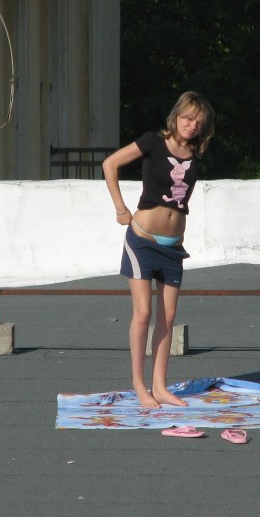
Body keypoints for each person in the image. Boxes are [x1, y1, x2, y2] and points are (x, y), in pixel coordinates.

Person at [102, 91, 215, 409]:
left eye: (198, 121)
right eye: (187, 117)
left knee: (168, 316)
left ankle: (160, 386)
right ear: (176, 115)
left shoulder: (195, 154)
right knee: (143, 313)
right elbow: (110, 164)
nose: (192, 125)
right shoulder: (153, 141)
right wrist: (120, 208)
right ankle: (140, 386)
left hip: (173, 248)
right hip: (142, 240)